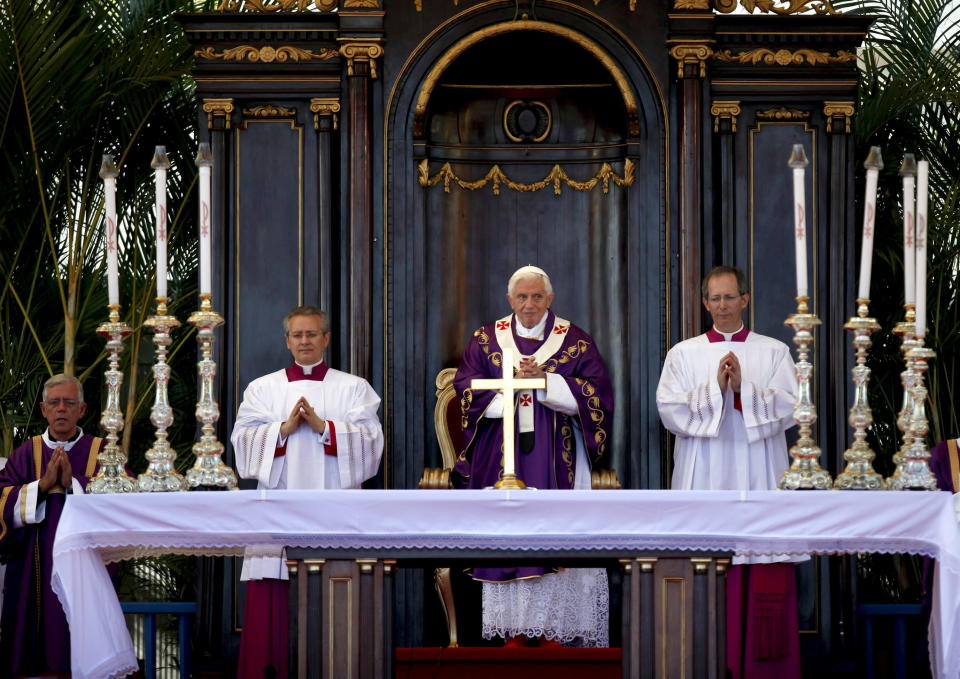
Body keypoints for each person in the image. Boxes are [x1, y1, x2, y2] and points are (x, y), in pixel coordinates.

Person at [453, 265, 613, 648]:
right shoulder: (487, 339)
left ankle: (556, 631)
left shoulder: (573, 340)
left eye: (537, 297)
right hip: (501, 457)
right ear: (510, 300)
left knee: (556, 532)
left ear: (550, 299)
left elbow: (598, 395)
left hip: (558, 455)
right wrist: (507, 388)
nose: (529, 304)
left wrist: (547, 381)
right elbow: (465, 389)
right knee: (510, 531)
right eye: (521, 297)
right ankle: (514, 630)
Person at [656, 265, 801, 679]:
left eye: (729, 297)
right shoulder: (683, 354)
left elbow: (792, 406)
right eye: (714, 298)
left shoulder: (773, 351)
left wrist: (743, 390)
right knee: (705, 560)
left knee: (762, 562)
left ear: (745, 300)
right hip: (705, 470)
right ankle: (705, 662)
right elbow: (669, 409)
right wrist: (715, 390)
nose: (722, 305)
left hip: (759, 469)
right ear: (705, 303)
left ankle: (763, 665)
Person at [231, 305, 384, 679]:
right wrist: (282, 430)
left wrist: (323, 427)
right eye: (297, 335)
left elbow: (371, 446)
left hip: (335, 513)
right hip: (277, 513)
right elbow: (243, 446)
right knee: (273, 601)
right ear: (287, 341)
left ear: (326, 339)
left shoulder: (353, 389)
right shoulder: (262, 389)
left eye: (312, 334)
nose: (305, 342)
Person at [0, 374, 103, 677]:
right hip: (31, 568)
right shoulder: (24, 453)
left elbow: (121, 500)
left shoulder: (103, 451)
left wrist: (74, 483)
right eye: (54, 403)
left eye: (69, 403)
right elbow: (2, 500)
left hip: (86, 565)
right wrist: (41, 486)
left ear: (81, 410)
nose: (61, 409)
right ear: (43, 409)